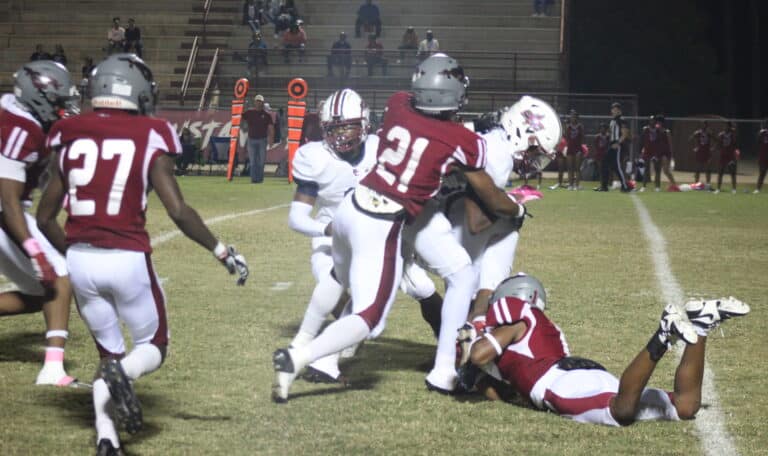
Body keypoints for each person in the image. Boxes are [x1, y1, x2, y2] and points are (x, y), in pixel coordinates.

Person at [272, 53, 527, 402]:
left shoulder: (397, 105)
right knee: (370, 318)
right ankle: (299, 357)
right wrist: (518, 208)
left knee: (338, 277)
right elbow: (492, 197)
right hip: (382, 222)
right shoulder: (463, 142)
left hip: (351, 207)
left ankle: (302, 342)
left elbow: (421, 117)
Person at [36, 54, 248, 455]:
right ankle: (122, 376)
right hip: (127, 256)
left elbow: (44, 217)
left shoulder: (67, 133)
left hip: (80, 259)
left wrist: (76, 251)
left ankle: (106, 436)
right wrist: (221, 251)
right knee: (153, 345)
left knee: (108, 352)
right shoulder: (151, 133)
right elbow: (178, 211)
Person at [457, 274, 750, 426]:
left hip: (559, 384)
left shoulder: (514, 324)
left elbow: (479, 354)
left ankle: (662, 336)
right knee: (685, 406)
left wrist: (470, 336)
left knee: (621, 411)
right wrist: (480, 378)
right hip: (581, 373)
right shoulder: (538, 332)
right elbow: (505, 395)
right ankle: (701, 326)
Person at [0, 60, 78, 387]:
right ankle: (52, 369)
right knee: (58, 279)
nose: (66, 107)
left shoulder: (19, 116)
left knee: (36, 295)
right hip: (5, 211)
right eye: (60, 101)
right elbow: (8, 201)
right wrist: (34, 251)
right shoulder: (21, 128)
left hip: (8, 209)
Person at [640, 114, 679, 192]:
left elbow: (669, 144)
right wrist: (643, 148)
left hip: (663, 153)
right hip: (655, 152)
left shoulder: (664, 131)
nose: (657, 123)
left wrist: (671, 155)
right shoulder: (649, 129)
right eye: (656, 122)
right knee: (652, 169)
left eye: (658, 122)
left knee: (664, 170)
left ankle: (673, 185)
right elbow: (645, 140)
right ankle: (673, 184)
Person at [596, 102, 630, 192]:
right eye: (613, 109)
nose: (614, 111)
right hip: (611, 145)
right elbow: (611, 133)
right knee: (605, 164)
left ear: (619, 111)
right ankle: (604, 186)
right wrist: (608, 135)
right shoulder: (613, 120)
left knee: (617, 166)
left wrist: (618, 143)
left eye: (616, 110)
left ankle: (625, 186)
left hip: (617, 146)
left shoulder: (621, 120)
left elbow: (625, 134)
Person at [241, 94, 274, 183]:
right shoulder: (249, 112)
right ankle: (254, 179)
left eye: (260, 101)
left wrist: (271, 140)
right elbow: (239, 116)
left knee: (261, 161)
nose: (258, 103)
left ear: (263, 103)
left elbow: (271, 128)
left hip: (262, 140)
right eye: (257, 101)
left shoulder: (267, 115)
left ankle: (259, 179)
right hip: (251, 140)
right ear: (255, 102)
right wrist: (241, 104)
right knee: (253, 161)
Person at [715, 121, 738, 194]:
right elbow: (718, 144)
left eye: (727, 126)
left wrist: (735, 155)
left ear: (729, 127)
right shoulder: (721, 135)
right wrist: (717, 149)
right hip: (723, 155)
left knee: (732, 172)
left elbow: (735, 143)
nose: (725, 127)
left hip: (730, 155)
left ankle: (734, 189)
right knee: (720, 172)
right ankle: (718, 189)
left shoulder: (732, 134)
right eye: (724, 126)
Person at [564, 109, 584, 190]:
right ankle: (570, 185)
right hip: (570, 148)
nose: (573, 118)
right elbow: (566, 137)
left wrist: (581, 148)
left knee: (577, 168)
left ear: (577, 117)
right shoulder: (568, 126)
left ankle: (577, 185)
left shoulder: (580, 126)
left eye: (575, 116)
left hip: (578, 148)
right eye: (572, 116)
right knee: (570, 168)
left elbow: (583, 137)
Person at [690, 120, 714, 185]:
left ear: (707, 125)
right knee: (698, 168)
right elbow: (691, 139)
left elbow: (716, 140)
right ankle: (696, 183)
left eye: (705, 124)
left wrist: (713, 148)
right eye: (702, 124)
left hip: (707, 152)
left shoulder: (709, 133)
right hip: (700, 152)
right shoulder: (698, 132)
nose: (704, 126)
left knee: (708, 168)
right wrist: (695, 147)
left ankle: (708, 184)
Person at [756, 119, 768, 194]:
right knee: (762, 173)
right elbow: (758, 142)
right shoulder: (762, 133)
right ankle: (758, 189)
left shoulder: (762, 132)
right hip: (763, 156)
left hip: (763, 156)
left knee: (762, 173)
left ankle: (758, 189)